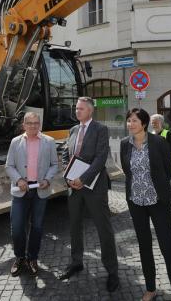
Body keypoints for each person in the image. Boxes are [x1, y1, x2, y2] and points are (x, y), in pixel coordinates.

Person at [121, 108, 171, 301]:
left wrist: (156, 187)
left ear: (144, 123)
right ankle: (150, 288)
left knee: (168, 247)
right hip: (136, 202)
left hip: (158, 202)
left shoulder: (159, 142)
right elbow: (127, 170)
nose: (130, 124)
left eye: (134, 121)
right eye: (128, 121)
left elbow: (168, 170)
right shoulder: (125, 144)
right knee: (144, 246)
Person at [58, 97, 120, 292]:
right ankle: (76, 262)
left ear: (91, 111)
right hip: (73, 188)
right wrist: (67, 176)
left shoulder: (100, 129)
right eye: (76, 108)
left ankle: (112, 271)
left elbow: (101, 158)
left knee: (104, 229)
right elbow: (67, 153)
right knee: (75, 226)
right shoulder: (73, 130)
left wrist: (82, 179)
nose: (77, 111)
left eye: (81, 109)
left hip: (94, 187)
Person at [5, 112, 59, 276]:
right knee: (17, 228)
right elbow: (9, 166)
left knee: (37, 227)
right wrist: (19, 180)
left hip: (40, 190)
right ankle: (20, 257)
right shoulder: (15, 142)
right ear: (24, 125)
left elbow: (54, 164)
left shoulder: (49, 142)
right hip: (21, 190)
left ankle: (32, 258)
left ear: (40, 124)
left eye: (36, 123)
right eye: (30, 123)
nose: (33, 126)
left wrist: (48, 179)